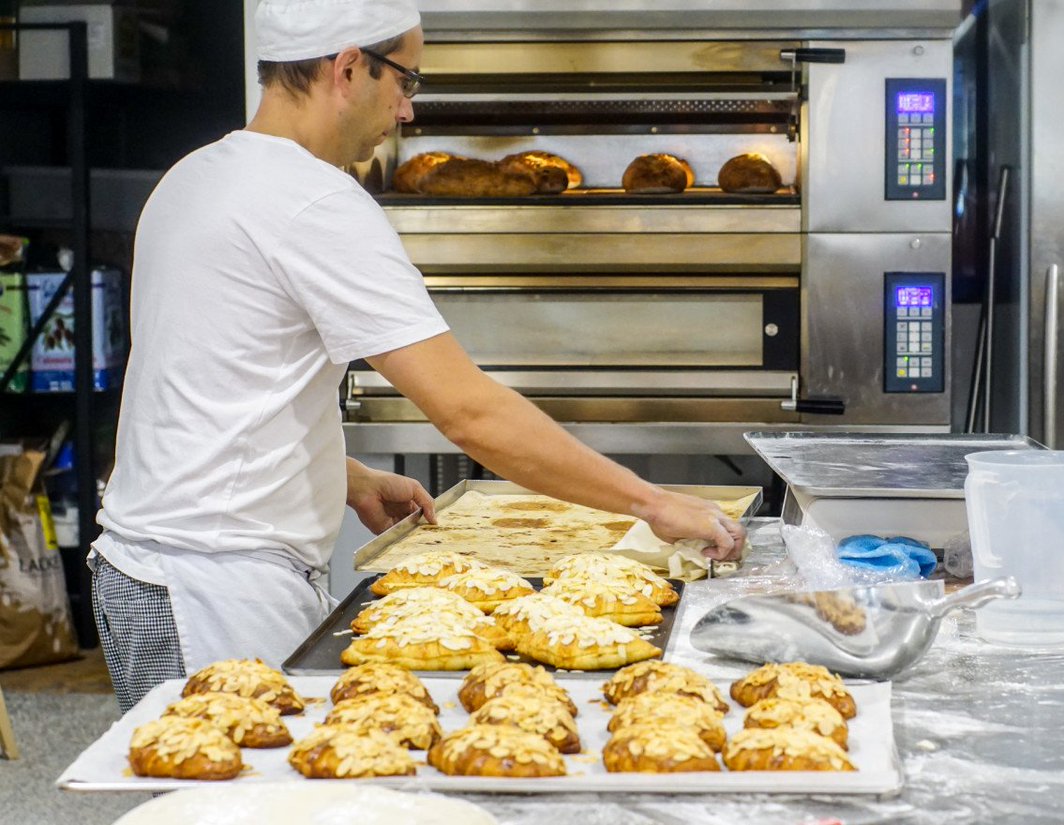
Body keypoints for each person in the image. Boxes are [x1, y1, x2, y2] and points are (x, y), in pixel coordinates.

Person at [88, 0, 746, 714]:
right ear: (347, 68)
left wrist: (339, 473)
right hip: (214, 591)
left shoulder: (194, 177)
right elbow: (467, 413)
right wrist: (652, 504)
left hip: (144, 570)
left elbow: (202, 390)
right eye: (406, 80)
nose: (406, 111)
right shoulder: (315, 202)